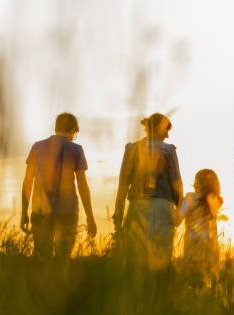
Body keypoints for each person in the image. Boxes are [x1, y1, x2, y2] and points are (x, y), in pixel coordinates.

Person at [21, 112, 97, 259]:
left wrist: (24, 212)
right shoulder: (76, 149)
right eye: (75, 134)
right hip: (67, 211)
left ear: (56, 128)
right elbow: (82, 185)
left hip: (40, 210)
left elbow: (27, 181)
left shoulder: (37, 147)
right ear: (73, 130)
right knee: (63, 261)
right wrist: (90, 217)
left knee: (42, 260)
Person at [113, 113, 183, 268]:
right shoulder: (168, 150)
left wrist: (118, 213)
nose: (167, 134)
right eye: (166, 130)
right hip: (163, 207)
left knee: (136, 261)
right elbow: (177, 183)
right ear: (159, 128)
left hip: (136, 207)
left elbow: (123, 183)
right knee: (161, 259)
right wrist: (178, 209)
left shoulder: (132, 148)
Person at [180, 169, 223, 275]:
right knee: (207, 281)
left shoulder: (190, 198)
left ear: (199, 183)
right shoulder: (215, 200)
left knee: (192, 280)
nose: (193, 184)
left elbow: (179, 217)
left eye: (195, 180)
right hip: (211, 247)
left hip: (193, 245)